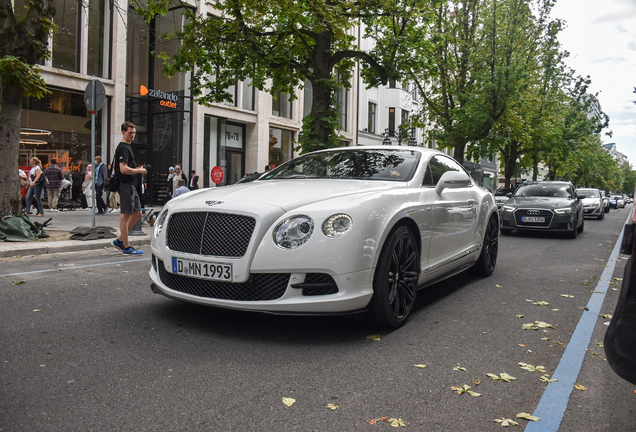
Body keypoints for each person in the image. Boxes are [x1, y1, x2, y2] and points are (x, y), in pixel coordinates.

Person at [112, 121, 146, 255]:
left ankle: (119, 240)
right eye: (130, 132)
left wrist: (138, 170)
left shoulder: (127, 147)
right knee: (125, 215)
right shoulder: (124, 148)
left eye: (134, 133)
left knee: (138, 213)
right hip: (126, 185)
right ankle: (126, 247)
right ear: (123, 132)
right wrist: (139, 171)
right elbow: (123, 169)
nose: (132, 135)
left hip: (131, 185)